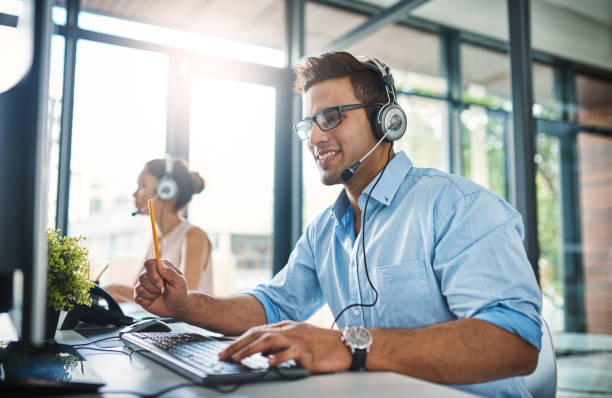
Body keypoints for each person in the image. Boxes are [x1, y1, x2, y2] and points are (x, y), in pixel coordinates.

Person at [134, 52, 542, 397]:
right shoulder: (325, 230)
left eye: (330, 117)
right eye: (309, 123)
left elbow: (514, 342)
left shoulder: (457, 206)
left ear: (386, 122)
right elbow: (272, 306)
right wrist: (187, 306)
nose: (314, 138)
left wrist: (349, 345)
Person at [105, 157, 212, 302]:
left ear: (165, 190)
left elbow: (185, 298)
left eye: (142, 186)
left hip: (187, 325)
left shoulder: (193, 236)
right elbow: (138, 293)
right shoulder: (159, 239)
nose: (135, 194)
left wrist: (115, 289)